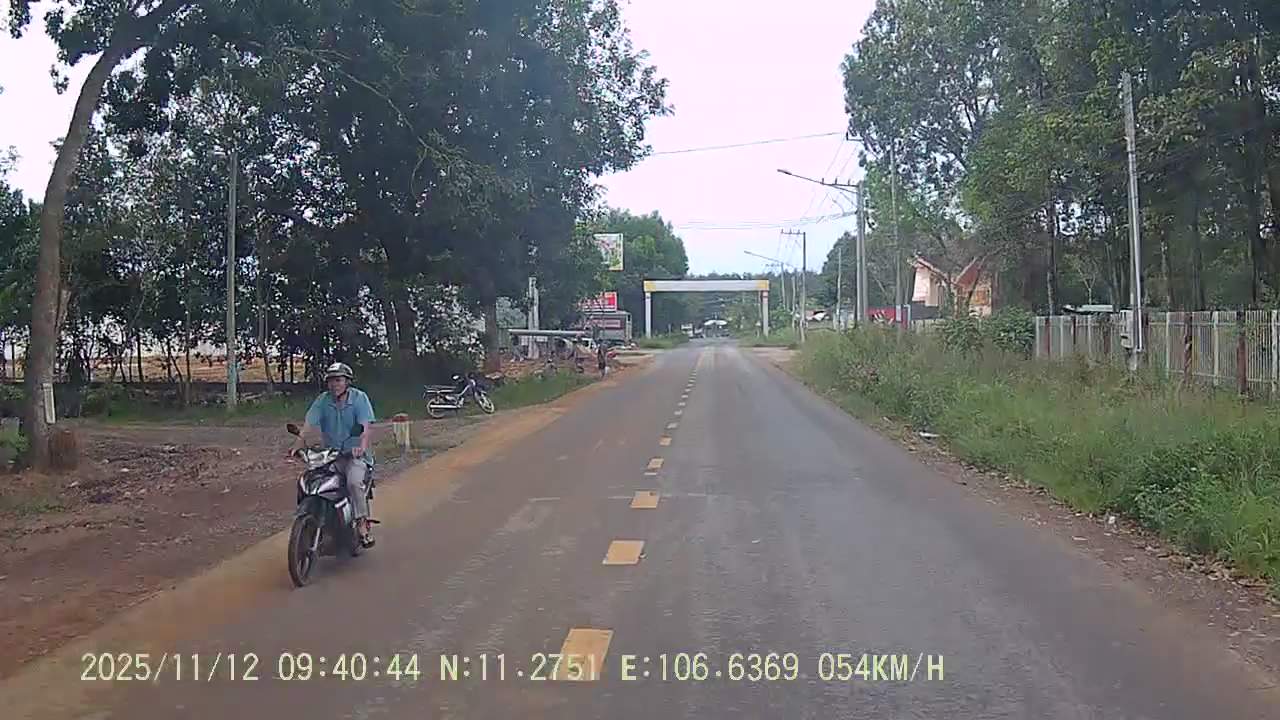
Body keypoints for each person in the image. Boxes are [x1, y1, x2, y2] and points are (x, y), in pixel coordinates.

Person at [287, 362, 377, 547]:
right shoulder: (323, 400)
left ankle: (362, 525)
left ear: (347, 382)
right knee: (309, 480)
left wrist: (361, 447)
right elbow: (309, 423)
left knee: (353, 482)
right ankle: (312, 517)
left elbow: (366, 427)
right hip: (330, 455)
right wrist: (297, 445)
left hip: (354, 456)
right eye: (331, 381)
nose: (334, 384)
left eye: (338, 380)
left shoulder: (359, 398)